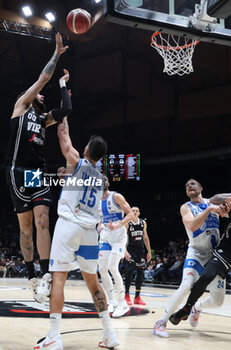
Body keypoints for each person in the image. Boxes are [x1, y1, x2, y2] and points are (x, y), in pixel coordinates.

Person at [34, 92, 119, 349]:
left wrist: (64, 106)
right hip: (90, 233)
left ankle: (54, 336)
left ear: (85, 150)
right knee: (93, 281)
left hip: (70, 225)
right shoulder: (100, 176)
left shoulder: (78, 162)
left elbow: (62, 135)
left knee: (58, 277)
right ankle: (109, 334)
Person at [5, 32, 70, 302]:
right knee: (26, 228)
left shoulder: (43, 120)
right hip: (18, 170)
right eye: (39, 95)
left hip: (37, 171)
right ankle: (31, 275)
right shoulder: (21, 106)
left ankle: (45, 275)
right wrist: (56, 53)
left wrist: (64, 85)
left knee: (44, 221)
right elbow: (43, 78)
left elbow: (65, 109)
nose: (42, 96)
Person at [153, 179, 227, 338]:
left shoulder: (212, 201)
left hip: (214, 255)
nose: (189, 186)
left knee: (218, 301)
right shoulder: (186, 207)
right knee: (186, 286)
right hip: (196, 253)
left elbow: (226, 202)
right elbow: (192, 226)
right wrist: (209, 210)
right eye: (186, 186)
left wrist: (222, 203)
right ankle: (161, 322)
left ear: (201, 188)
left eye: (192, 184)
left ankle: (197, 307)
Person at [169, 195, 231, 326]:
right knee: (207, 276)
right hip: (224, 251)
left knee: (218, 302)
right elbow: (218, 200)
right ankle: (187, 307)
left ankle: (197, 307)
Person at [98, 175, 134, 317]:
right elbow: (100, 218)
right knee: (102, 269)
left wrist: (119, 224)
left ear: (107, 183)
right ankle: (112, 301)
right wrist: (99, 227)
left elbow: (131, 214)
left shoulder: (116, 197)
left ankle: (122, 303)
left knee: (113, 267)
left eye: (103, 180)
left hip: (118, 236)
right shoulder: (96, 201)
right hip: (106, 236)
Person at [124, 206, 152, 306]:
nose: (135, 212)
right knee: (129, 271)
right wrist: (125, 251)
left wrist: (149, 251)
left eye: (136, 211)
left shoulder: (143, 223)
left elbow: (145, 237)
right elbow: (122, 237)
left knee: (141, 272)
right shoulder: (127, 222)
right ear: (130, 212)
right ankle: (126, 295)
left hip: (140, 250)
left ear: (139, 213)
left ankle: (137, 297)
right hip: (130, 249)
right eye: (133, 210)